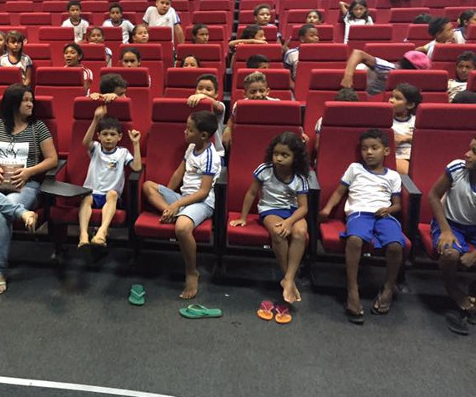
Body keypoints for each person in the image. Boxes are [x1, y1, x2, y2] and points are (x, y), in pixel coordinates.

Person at [0, 84, 58, 296]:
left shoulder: (38, 127)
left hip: (26, 186)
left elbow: (52, 159)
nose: (30, 104)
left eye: (31, 100)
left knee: (0, 214)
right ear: (13, 103)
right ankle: (21, 213)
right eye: (26, 100)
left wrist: (28, 172)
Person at [319, 129, 405, 323]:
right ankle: (352, 289)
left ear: (386, 151)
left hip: (384, 215)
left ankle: (388, 287)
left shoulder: (393, 176)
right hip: (359, 213)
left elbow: (398, 204)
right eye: (365, 148)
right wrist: (327, 209)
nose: (369, 152)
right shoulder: (355, 169)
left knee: (395, 246)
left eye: (374, 148)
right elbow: (339, 192)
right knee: (355, 240)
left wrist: (389, 209)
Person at [142, 111, 221, 299]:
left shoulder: (211, 157)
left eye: (190, 129)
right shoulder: (191, 148)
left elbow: (203, 192)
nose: (185, 132)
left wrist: (176, 204)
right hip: (183, 198)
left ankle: (192, 272)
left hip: (201, 202)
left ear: (203, 135)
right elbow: (178, 174)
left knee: (182, 228)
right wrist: (168, 199)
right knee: (148, 186)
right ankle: (169, 212)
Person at [230, 132, 310, 304]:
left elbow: (304, 207)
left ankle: (288, 279)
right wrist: (243, 217)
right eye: (276, 154)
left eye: (285, 155)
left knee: (300, 232)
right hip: (270, 209)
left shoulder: (300, 177)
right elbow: (251, 193)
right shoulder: (264, 170)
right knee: (278, 232)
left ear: (295, 157)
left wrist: (289, 222)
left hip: (293, 212)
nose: (278, 158)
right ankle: (289, 279)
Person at [428, 137, 476, 334]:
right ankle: (453, 290)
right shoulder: (457, 168)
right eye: (470, 149)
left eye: (474, 152)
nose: (467, 154)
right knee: (450, 254)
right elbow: (433, 195)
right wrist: (446, 230)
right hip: (451, 223)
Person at [78, 106, 142, 248]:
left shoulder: (123, 152)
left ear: (119, 137)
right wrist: (95, 120)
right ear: (99, 136)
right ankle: (83, 235)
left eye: (113, 134)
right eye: (105, 134)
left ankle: (102, 232)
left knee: (112, 194)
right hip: (92, 192)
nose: (108, 138)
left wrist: (136, 144)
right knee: (86, 197)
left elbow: (137, 167)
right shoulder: (96, 149)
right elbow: (85, 142)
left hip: (110, 197)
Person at [222, 71, 279, 148]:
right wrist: (228, 129)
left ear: (267, 91)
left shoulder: (277, 104)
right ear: (245, 93)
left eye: (261, 91)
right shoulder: (239, 105)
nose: (258, 95)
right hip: (247, 141)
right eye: (253, 92)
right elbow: (232, 119)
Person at [341, 49, 431, 96]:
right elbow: (358, 53)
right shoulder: (389, 69)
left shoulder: (410, 83)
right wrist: (348, 76)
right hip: (354, 91)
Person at [185, 73, 226, 157]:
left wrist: (203, 97)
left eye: (208, 89)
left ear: (216, 94)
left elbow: (219, 108)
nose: (204, 92)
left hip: (216, 154)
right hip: (194, 152)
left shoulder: (219, 105)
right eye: (200, 89)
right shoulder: (192, 105)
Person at [390, 83, 422, 175]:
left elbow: (426, 140)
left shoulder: (418, 121)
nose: (391, 100)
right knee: (406, 170)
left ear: (410, 105)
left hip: (418, 156)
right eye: (391, 97)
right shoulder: (385, 121)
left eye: (397, 98)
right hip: (397, 157)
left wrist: (405, 138)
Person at [315, 88, 360, 152]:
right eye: (343, 109)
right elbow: (318, 147)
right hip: (330, 154)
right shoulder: (323, 121)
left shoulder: (361, 122)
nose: (346, 113)